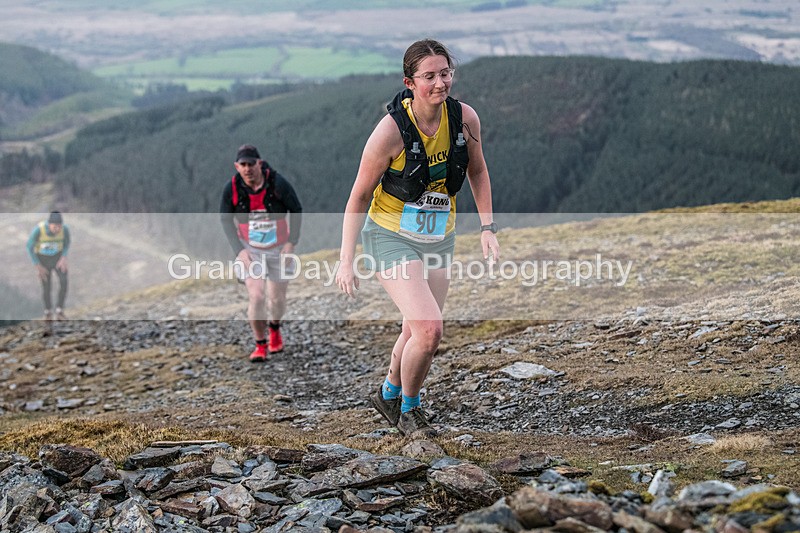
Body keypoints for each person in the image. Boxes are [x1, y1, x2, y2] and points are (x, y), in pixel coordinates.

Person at [335, 39, 501, 437]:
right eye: (429, 77)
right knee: (429, 330)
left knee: (414, 328)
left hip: (438, 237)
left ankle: (388, 393)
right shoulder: (389, 132)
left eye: (445, 73)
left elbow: (478, 172)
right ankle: (409, 409)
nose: (440, 83)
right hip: (389, 235)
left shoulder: (465, 119)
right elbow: (358, 196)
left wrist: (487, 228)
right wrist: (345, 259)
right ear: (410, 82)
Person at [220, 144, 303, 362]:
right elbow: (225, 219)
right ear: (237, 166)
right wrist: (239, 251)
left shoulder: (277, 183)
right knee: (256, 296)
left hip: (278, 248)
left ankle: (274, 328)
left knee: (277, 300)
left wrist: (291, 244)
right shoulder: (232, 188)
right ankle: (260, 344)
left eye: (251, 164)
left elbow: (296, 209)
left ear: (259, 163)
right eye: (243, 165)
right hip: (250, 251)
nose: (247, 169)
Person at [27, 211, 71, 320]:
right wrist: (37, 265)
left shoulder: (65, 229)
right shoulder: (39, 230)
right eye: (55, 227)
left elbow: (67, 242)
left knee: (64, 282)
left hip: (58, 258)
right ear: (49, 224)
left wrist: (64, 257)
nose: (57, 229)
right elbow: (29, 247)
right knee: (46, 286)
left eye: (59, 226)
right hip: (43, 260)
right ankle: (48, 312)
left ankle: (60, 310)